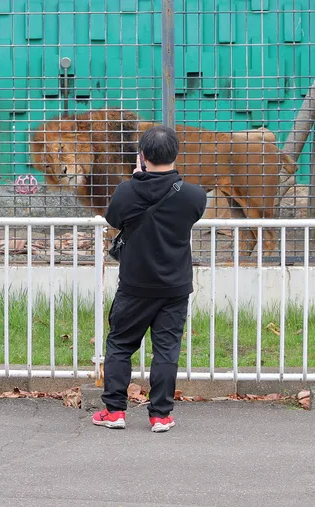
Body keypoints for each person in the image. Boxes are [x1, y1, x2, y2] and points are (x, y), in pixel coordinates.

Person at [93, 125, 207, 433]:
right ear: (176, 154)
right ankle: (160, 415)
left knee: (119, 344)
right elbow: (190, 214)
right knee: (166, 348)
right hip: (175, 286)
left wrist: (136, 178)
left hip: (134, 285)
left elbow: (114, 219)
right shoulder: (194, 195)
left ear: (142, 155)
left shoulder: (126, 190)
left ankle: (114, 411)